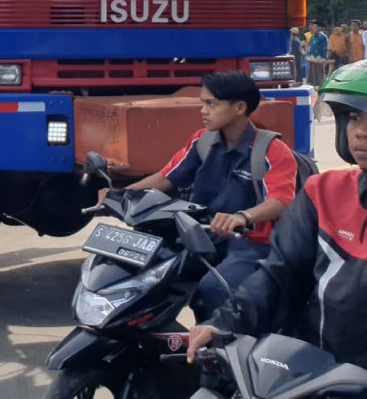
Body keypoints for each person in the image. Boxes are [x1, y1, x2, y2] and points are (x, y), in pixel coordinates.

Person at [188, 60, 367, 378]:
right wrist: (227, 322)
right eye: (354, 117)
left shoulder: (270, 148)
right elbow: (280, 274)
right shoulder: (325, 192)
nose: (361, 131)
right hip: (313, 370)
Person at [97, 71, 298, 322]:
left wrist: (242, 217)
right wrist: (121, 194)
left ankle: (220, 342)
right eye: (203, 103)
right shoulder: (201, 141)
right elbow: (165, 178)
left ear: (239, 107)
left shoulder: (272, 150)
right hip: (201, 235)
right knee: (145, 274)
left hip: (249, 243)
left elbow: (281, 201)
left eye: (211, 104)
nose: (203, 111)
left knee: (213, 289)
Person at [306, 21, 329, 88]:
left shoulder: (323, 37)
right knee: (312, 72)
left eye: (315, 27)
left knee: (319, 72)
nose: (313, 28)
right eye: (313, 26)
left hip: (319, 57)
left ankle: (321, 85)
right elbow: (310, 45)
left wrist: (324, 57)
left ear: (319, 28)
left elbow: (325, 47)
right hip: (312, 56)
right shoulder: (313, 36)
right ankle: (312, 85)